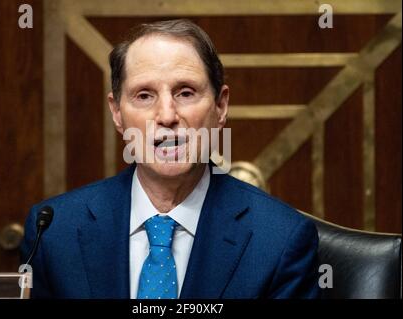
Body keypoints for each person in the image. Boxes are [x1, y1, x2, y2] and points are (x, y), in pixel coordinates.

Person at [21, 19, 320, 299]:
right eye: (144, 95)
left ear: (220, 106)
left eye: (186, 93)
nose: (166, 116)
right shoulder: (52, 233)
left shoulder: (281, 240)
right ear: (117, 113)